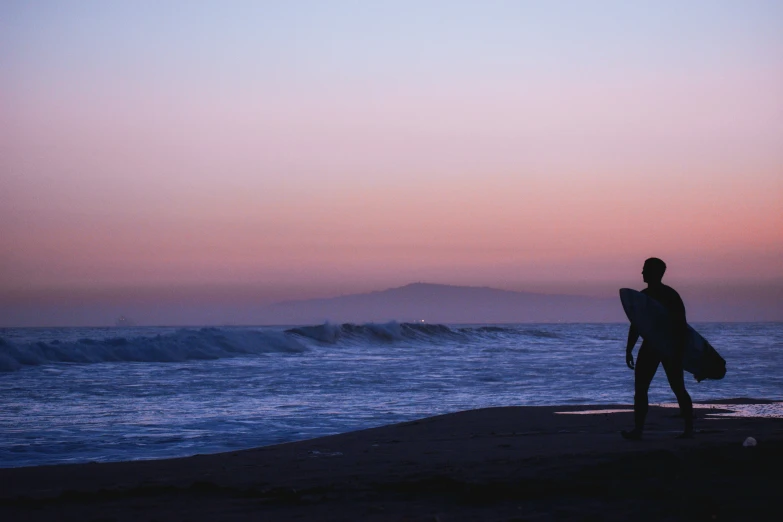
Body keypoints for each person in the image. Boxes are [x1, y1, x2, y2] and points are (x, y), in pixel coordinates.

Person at [622, 258, 693, 440]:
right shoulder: (646, 296)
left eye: (645, 269)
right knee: (641, 388)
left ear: (655, 273)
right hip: (655, 346)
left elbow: (680, 325)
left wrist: (679, 351)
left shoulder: (669, 296)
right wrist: (629, 348)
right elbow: (636, 324)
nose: (642, 273)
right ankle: (638, 430)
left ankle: (689, 429)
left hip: (668, 347)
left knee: (677, 387)